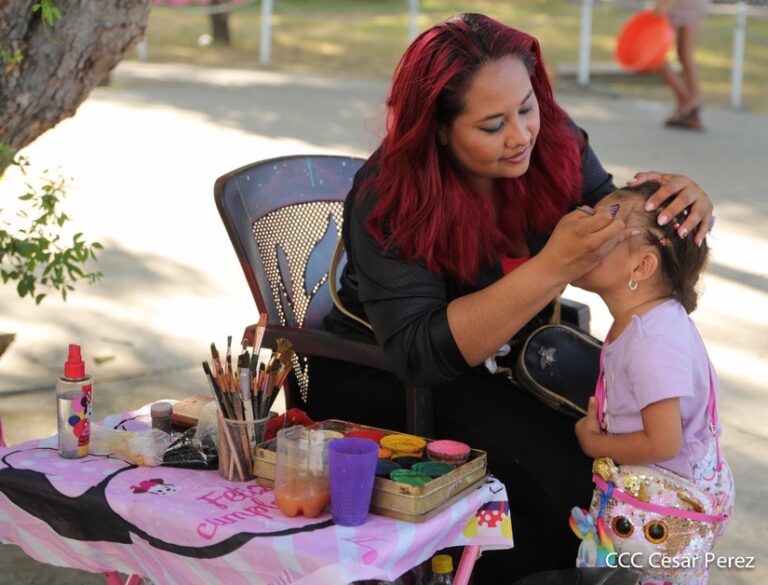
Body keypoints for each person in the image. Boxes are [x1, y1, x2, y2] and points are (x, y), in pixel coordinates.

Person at [306, 13, 715, 581]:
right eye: (492, 124)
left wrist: (678, 208)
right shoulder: (391, 195)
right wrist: (550, 267)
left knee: (613, 476)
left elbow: (618, 227)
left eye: (527, 107)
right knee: (572, 498)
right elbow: (419, 353)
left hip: (513, 363)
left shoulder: (554, 145)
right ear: (439, 129)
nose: (521, 135)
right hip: (387, 377)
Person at [572, 182, 733, 584]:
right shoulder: (651, 319)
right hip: (656, 500)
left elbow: (663, 443)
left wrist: (595, 444)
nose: (583, 230)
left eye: (605, 224)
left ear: (641, 267)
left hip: (660, 514)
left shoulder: (651, 341)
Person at [655, 0, 711, 130]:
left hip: (675, 5)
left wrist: (662, 4)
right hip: (695, 4)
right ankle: (691, 112)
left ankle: (687, 103)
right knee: (686, 56)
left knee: (657, 57)